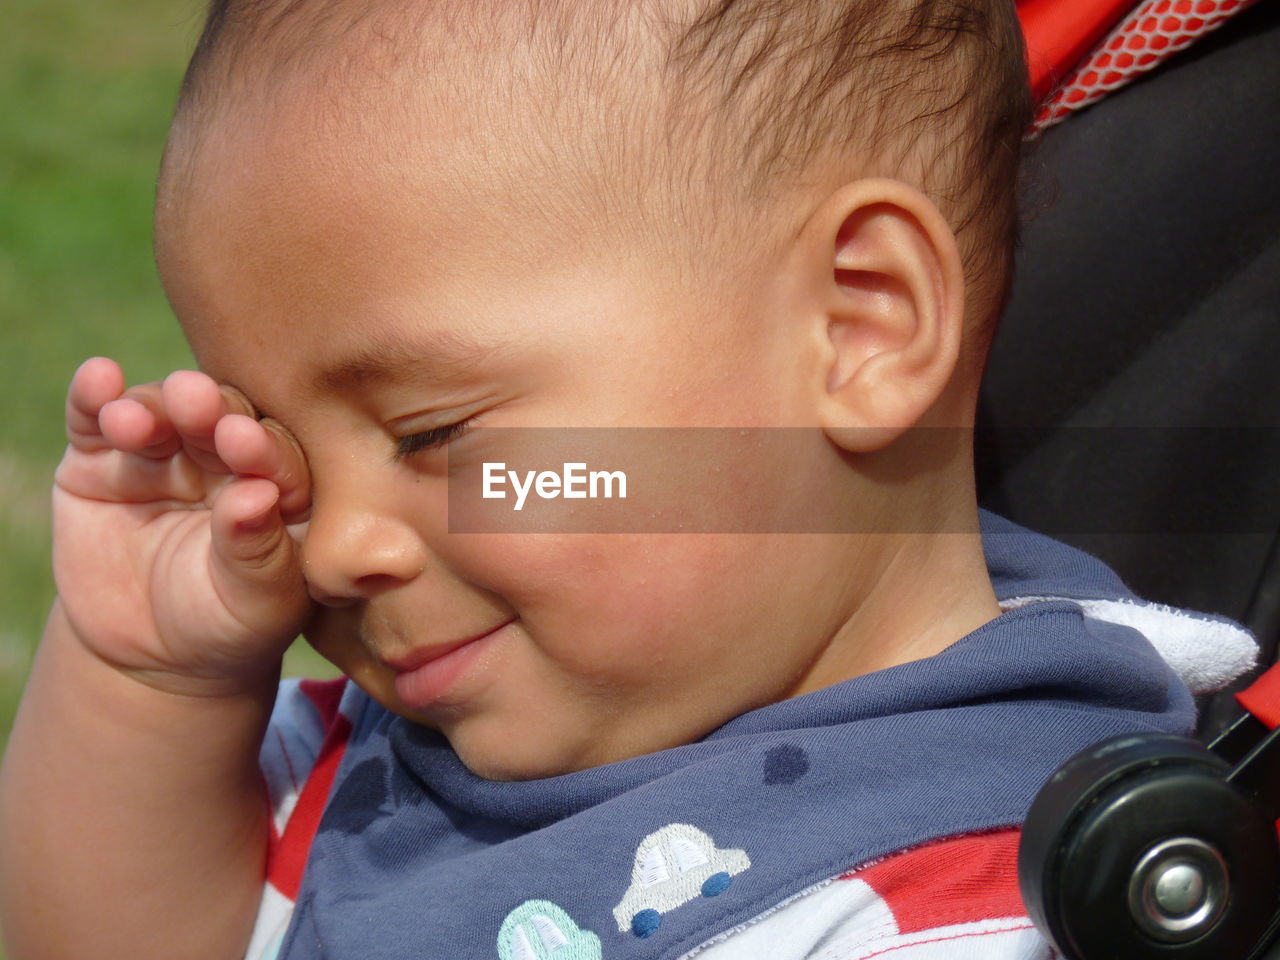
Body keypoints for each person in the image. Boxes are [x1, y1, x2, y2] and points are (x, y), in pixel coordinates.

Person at [0, 0, 1257, 957]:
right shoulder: (381, 763)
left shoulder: (984, 883)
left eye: (435, 432)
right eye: (282, 450)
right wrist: (144, 683)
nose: (334, 552)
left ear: (858, 328)